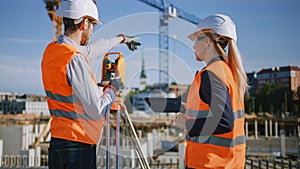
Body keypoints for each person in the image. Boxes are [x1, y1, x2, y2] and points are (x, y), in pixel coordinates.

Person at [41, 0, 140, 168]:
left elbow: (92, 49)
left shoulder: (52, 51)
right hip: (78, 146)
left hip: (58, 144)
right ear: (85, 23)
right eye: (93, 24)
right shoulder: (75, 59)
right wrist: (112, 89)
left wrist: (121, 39)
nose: (93, 31)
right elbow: (96, 110)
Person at [174, 14, 248, 169]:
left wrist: (186, 123)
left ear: (207, 41)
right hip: (228, 163)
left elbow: (224, 122)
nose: (193, 46)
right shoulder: (227, 71)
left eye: (196, 40)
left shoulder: (211, 74)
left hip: (210, 163)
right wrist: (188, 109)